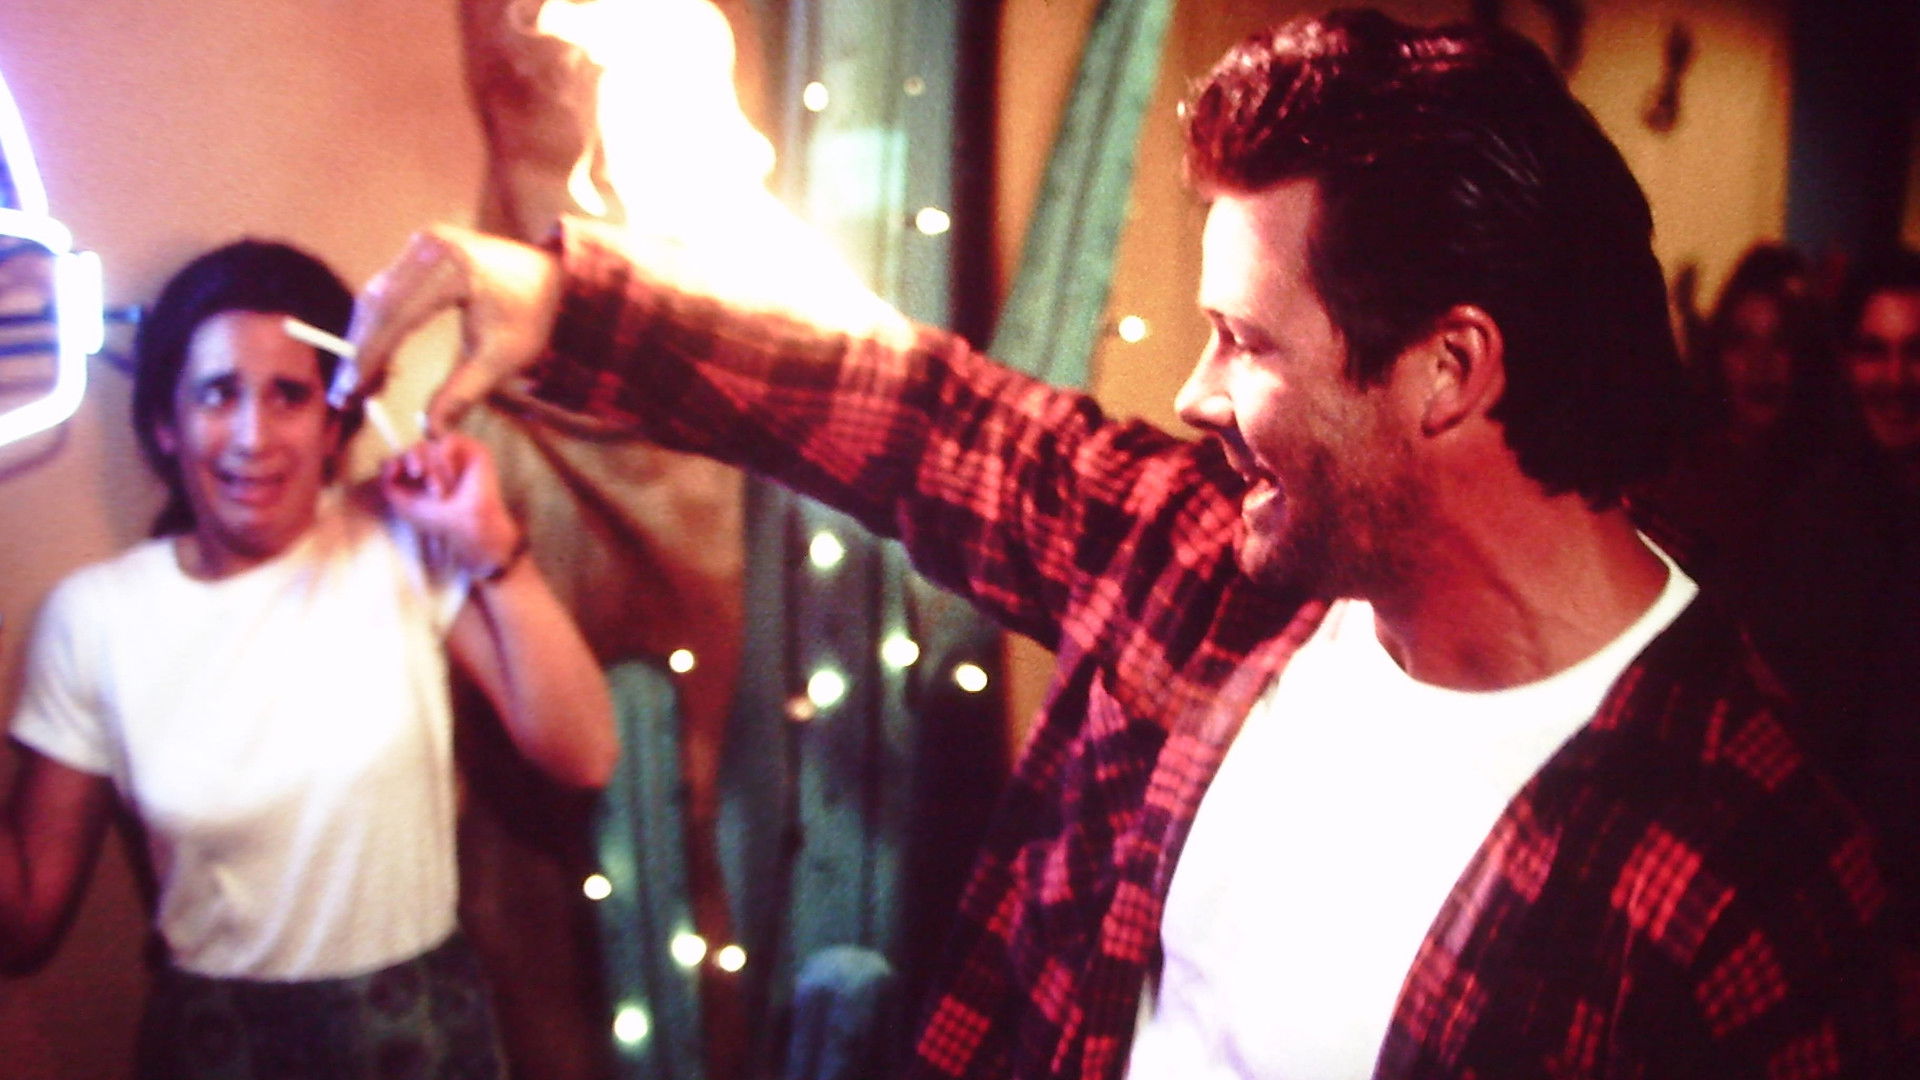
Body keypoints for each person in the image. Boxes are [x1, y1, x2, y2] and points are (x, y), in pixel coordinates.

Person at [343, 10, 1901, 1078]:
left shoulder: (1748, 877)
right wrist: (567, 303)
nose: (1196, 391)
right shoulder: (1217, 574)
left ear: (1451, 369)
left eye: (1249, 341)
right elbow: (927, 419)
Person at [0, 239, 616, 1078]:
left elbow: (585, 753)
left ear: (334, 425)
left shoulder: (400, 538)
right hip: (217, 1050)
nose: (253, 437)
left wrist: (491, 547)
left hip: (421, 1035)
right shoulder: (93, 618)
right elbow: (24, 925)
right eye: (217, 394)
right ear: (166, 425)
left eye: (289, 396)